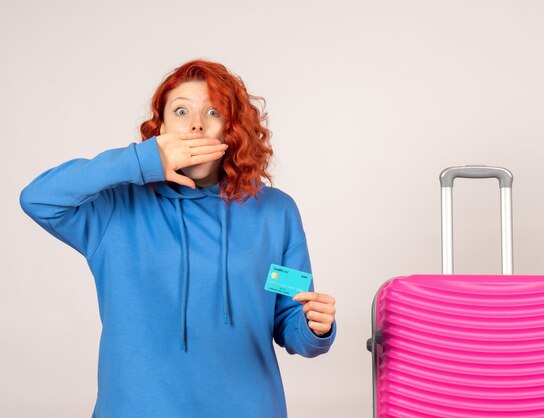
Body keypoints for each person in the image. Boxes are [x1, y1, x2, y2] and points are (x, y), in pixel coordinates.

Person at [19, 59, 337, 418]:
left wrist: (314, 327)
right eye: (181, 111)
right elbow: (37, 198)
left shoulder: (274, 212)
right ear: (162, 127)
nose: (196, 124)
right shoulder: (116, 209)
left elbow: (290, 317)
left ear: (232, 130)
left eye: (213, 111)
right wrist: (140, 160)